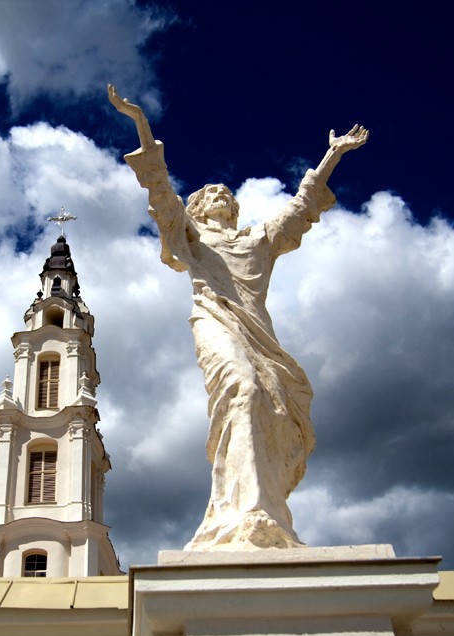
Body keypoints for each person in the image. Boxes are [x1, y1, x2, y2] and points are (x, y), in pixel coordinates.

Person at [108, 84, 368, 549]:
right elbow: (162, 194)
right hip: (213, 320)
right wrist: (141, 124)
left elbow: (301, 206)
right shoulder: (191, 239)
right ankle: (240, 511)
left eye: (227, 193)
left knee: (270, 407)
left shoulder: (257, 241)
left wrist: (334, 156)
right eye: (212, 194)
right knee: (242, 389)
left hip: (259, 332)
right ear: (198, 208)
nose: (222, 195)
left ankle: (262, 510)